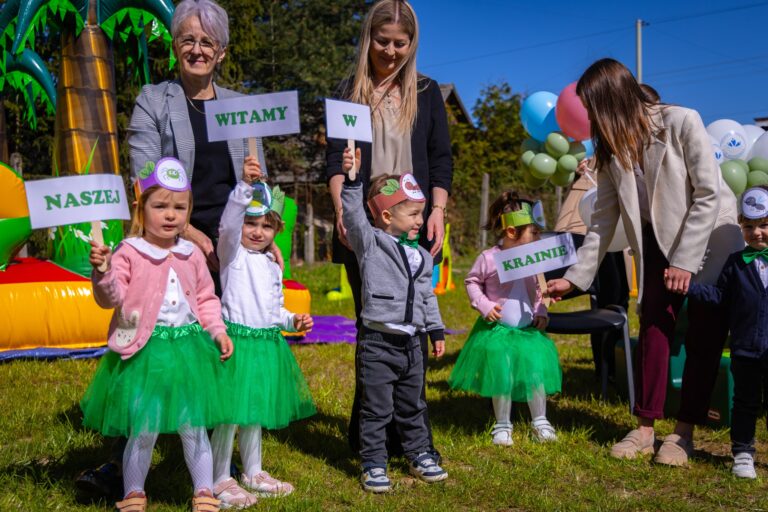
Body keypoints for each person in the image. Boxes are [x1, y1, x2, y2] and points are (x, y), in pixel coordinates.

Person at [77, 0, 267, 497]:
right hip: (169, 231)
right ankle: (124, 461)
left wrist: (247, 234)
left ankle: (220, 465)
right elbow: (144, 174)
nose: (197, 49)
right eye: (188, 39)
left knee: (226, 344)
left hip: (229, 238)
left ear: (222, 52)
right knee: (147, 347)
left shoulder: (239, 106)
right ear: (175, 46)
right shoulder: (154, 99)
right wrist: (186, 234)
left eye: (207, 41)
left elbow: (256, 188)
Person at [546, 58, 743, 466]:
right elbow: (601, 222)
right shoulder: (611, 148)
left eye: (592, 107)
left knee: (704, 335)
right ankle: (645, 428)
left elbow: (708, 194)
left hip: (709, 240)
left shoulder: (682, 122)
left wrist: (686, 262)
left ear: (611, 100)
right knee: (654, 329)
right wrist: (574, 279)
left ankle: (683, 433)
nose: (590, 118)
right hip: (656, 244)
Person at [325, 0, 452, 461]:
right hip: (369, 231)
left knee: (414, 329)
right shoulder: (349, 92)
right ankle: (370, 439)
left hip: (414, 225)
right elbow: (335, 156)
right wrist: (343, 207)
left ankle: (411, 437)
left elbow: (440, 157)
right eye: (383, 42)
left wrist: (436, 209)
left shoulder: (426, 90)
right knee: (374, 330)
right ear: (368, 39)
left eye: (401, 43)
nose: (391, 51)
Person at [80, 158, 233, 512]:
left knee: (192, 424)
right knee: (144, 427)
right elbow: (110, 298)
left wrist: (218, 331)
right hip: (144, 353)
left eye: (180, 208)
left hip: (188, 350)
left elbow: (207, 299)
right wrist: (102, 271)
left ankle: (204, 491)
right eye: (160, 205)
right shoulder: (129, 252)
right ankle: (133, 491)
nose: (170, 215)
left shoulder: (191, 253)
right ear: (141, 209)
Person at [209, 156, 316, 507]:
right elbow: (226, 227)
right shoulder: (232, 254)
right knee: (229, 414)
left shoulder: (272, 264)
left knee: (254, 411)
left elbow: (274, 309)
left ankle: (253, 471)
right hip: (237, 344)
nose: (257, 231)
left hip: (267, 345)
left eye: (265, 226)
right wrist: (243, 187)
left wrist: (291, 322)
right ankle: (218, 477)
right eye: (250, 223)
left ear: (276, 231)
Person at [340, 157, 448, 492]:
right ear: (387, 216)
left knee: (413, 404)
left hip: (412, 344)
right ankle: (373, 463)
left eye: (421, 212)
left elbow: (427, 296)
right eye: (413, 214)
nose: (420, 220)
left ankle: (419, 454)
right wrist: (353, 181)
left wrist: (435, 330)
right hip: (378, 344)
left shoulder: (423, 256)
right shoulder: (371, 244)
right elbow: (354, 217)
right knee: (376, 409)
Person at [449, 192, 561, 446]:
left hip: (527, 333)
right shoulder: (489, 258)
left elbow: (538, 291)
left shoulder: (533, 260)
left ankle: (540, 420)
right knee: (503, 376)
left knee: (535, 375)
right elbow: (472, 281)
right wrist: (484, 304)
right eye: (533, 233)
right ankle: (502, 423)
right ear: (511, 232)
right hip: (498, 332)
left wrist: (542, 311)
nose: (537, 239)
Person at [681, 186, 768, 479]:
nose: (757, 233)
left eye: (765, 224)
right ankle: (743, 453)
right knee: (744, 401)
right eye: (749, 226)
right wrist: (689, 287)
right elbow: (719, 296)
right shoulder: (735, 263)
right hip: (745, 348)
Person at [554, 157, 629, 383]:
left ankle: (614, 368)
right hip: (592, 224)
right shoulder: (593, 154)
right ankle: (606, 369)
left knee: (617, 299)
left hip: (617, 230)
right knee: (607, 300)